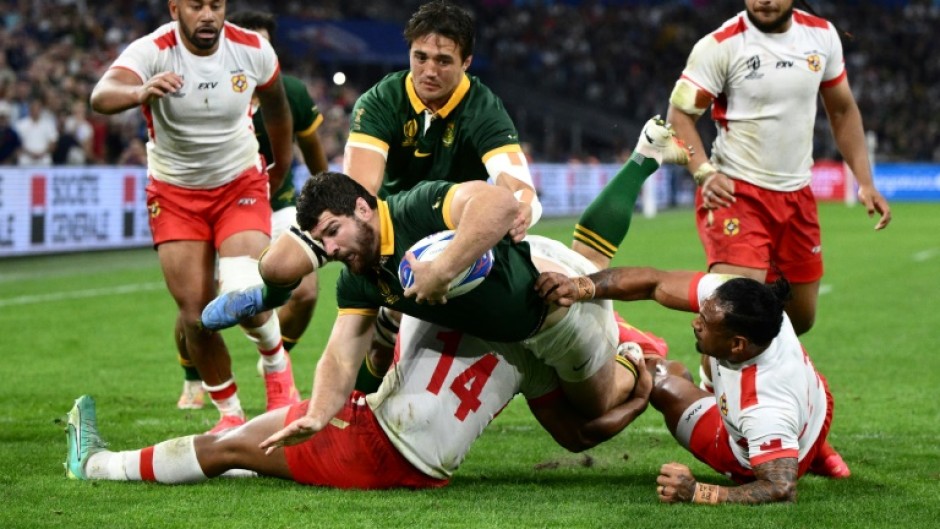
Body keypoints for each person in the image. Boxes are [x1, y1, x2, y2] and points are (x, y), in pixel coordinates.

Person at [201, 1, 548, 393]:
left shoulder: (483, 108)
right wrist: (364, 239)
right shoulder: (381, 100)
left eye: (443, 61)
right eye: (420, 57)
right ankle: (265, 296)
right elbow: (358, 191)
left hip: (446, 227)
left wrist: (522, 208)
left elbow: (517, 183)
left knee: (385, 345)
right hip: (387, 222)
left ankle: (367, 391)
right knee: (279, 265)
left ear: (466, 62)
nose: (429, 70)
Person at [64, 314, 652, 488]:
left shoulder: (434, 282)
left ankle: (95, 464)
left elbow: (367, 371)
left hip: (375, 443)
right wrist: (638, 396)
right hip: (427, 470)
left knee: (228, 446)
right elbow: (576, 436)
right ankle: (267, 457)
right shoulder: (539, 344)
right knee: (261, 448)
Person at [89, 0, 298, 433]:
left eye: (216, 5)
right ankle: (230, 415)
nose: (207, 15)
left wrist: (279, 166)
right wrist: (138, 93)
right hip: (174, 194)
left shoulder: (252, 49)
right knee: (195, 314)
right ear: (175, 9)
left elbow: (278, 108)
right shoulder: (153, 50)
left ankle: (277, 370)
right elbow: (101, 95)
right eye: (196, 5)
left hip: (238, 184)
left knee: (243, 293)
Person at [666, 0, 891, 339]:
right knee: (737, 313)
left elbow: (842, 110)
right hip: (736, 192)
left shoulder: (822, 36)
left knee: (799, 319)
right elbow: (679, 115)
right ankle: (712, 372)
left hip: (797, 195)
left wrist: (865, 182)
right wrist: (704, 172)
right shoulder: (720, 45)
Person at [536, 268, 851, 505]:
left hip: (752, 447)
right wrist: (579, 286)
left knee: (660, 378)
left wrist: (697, 491)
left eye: (705, 322)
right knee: (706, 359)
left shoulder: (764, 405)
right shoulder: (745, 304)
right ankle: (815, 450)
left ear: (738, 344)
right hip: (818, 407)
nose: (694, 322)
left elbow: (781, 489)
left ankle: (800, 452)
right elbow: (654, 282)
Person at [174, 10, 331, 411]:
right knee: (197, 299)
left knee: (306, 291)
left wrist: (330, 198)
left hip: (277, 203)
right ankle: (193, 377)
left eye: (265, 44)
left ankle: (276, 361)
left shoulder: (290, 92)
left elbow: (311, 148)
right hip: (215, 205)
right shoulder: (207, 86)